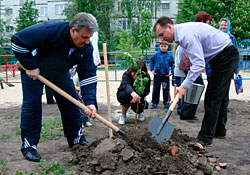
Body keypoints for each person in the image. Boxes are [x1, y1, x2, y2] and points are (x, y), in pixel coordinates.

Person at [11, 12, 98, 162]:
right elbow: (17, 41)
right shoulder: (50, 30)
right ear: (73, 31)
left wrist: (89, 101)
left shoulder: (86, 47)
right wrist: (31, 65)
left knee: (71, 101)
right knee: (32, 104)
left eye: (90, 37)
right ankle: (29, 145)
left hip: (59, 72)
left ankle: (75, 138)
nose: (87, 41)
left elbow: (88, 73)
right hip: (34, 70)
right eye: (84, 37)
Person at [153, 16, 239, 146]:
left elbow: (198, 65)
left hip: (225, 55)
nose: (161, 39)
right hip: (222, 55)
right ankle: (219, 130)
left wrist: (184, 86)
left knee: (212, 97)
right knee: (220, 94)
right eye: (159, 37)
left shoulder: (186, 36)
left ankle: (205, 137)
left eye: (162, 34)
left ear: (170, 27)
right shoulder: (182, 33)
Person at [117, 60, 151, 125]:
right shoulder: (126, 74)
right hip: (128, 94)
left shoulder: (146, 77)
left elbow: (147, 90)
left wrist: (138, 96)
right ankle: (123, 115)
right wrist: (133, 94)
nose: (135, 76)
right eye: (133, 73)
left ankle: (140, 112)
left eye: (138, 74)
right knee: (123, 95)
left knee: (140, 105)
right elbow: (125, 85)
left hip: (139, 96)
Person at [150, 41, 174, 109]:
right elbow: (151, 62)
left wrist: (171, 72)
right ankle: (154, 102)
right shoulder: (156, 55)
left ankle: (166, 102)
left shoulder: (170, 56)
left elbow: (173, 64)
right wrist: (152, 70)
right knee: (156, 89)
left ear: (167, 47)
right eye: (162, 46)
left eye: (165, 46)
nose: (163, 48)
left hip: (165, 76)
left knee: (166, 89)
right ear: (159, 46)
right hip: (157, 75)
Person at [173, 43, 185, 115]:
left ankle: (180, 108)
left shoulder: (180, 48)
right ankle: (180, 108)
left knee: (179, 91)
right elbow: (179, 62)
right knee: (182, 91)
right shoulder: (181, 48)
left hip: (179, 72)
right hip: (181, 73)